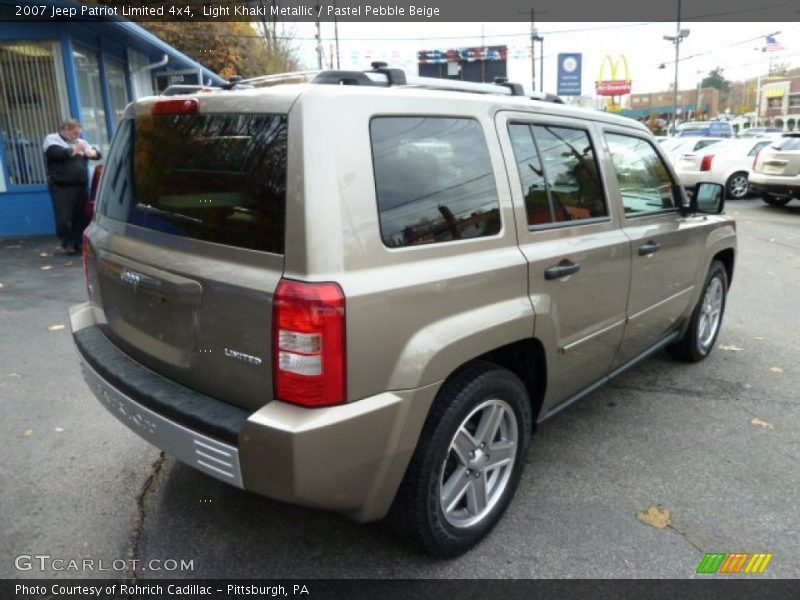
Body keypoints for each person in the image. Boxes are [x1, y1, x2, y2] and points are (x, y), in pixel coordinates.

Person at [42, 119, 101, 255]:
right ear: (65, 130)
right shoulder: (52, 139)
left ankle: (80, 244)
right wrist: (77, 149)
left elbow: (97, 155)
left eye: (78, 133)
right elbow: (58, 154)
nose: (76, 136)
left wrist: (93, 153)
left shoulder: (80, 142)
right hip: (61, 187)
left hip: (80, 186)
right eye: (74, 133)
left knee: (81, 218)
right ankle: (68, 241)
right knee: (63, 218)